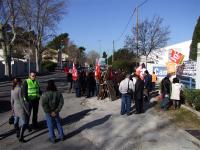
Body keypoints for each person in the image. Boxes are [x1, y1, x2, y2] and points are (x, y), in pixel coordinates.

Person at [11, 78, 29, 142]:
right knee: (24, 123)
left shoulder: (12, 89)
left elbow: (12, 101)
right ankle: (21, 137)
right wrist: (26, 110)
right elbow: (22, 101)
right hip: (20, 108)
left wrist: (12, 109)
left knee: (16, 122)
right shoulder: (19, 89)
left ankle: (18, 133)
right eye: (21, 81)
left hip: (15, 107)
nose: (21, 82)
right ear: (18, 82)